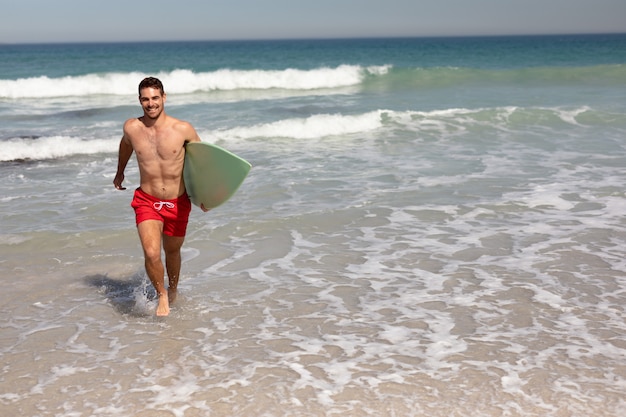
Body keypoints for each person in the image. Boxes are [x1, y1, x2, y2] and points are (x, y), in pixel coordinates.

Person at [113, 77, 206, 316]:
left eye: (155, 98)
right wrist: (120, 172)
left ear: (164, 97)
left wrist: (206, 194)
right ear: (140, 100)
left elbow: (203, 162)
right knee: (152, 252)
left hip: (178, 202)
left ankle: (173, 289)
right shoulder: (132, 128)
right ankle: (162, 295)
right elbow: (126, 146)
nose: (151, 103)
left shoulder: (183, 129)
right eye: (146, 99)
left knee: (172, 252)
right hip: (147, 200)